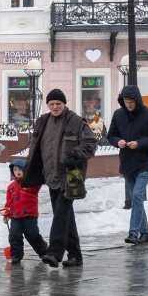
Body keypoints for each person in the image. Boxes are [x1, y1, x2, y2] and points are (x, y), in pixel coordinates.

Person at [22, 88, 97, 268]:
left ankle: (55, 253)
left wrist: (75, 154)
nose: (55, 107)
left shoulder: (76, 122)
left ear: (64, 104)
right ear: (48, 105)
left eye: (58, 104)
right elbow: (35, 147)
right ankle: (75, 255)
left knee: (61, 213)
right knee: (64, 215)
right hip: (51, 175)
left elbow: (91, 143)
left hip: (71, 176)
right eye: (52, 104)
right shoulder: (42, 122)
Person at [107, 84, 148, 246]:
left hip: (145, 163)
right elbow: (110, 135)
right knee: (136, 199)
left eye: (132, 101)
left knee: (137, 196)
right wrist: (117, 142)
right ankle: (145, 233)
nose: (129, 104)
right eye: (126, 101)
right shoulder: (118, 115)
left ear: (138, 100)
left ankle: (133, 233)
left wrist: (139, 144)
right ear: (122, 101)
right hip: (127, 164)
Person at [2, 159, 47, 263]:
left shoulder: (32, 184)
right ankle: (16, 256)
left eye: (20, 169)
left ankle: (44, 252)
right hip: (15, 216)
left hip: (29, 215)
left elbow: (40, 180)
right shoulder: (11, 187)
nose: (17, 171)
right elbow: (8, 203)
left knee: (32, 234)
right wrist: (6, 214)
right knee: (14, 235)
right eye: (15, 169)